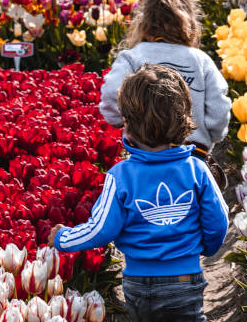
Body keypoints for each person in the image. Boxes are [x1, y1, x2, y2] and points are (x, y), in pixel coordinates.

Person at [49, 64, 229, 322]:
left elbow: (101, 229)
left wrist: (62, 238)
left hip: (140, 283)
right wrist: (206, 249)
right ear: (184, 119)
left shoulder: (120, 176)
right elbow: (218, 221)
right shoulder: (197, 170)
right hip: (185, 279)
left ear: (127, 123)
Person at [99, 0, 231, 190]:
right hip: (192, 156)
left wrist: (120, 121)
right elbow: (219, 107)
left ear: (143, 23)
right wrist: (212, 137)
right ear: (189, 23)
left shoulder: (133, 58)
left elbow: (111, 97)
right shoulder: (200, 60)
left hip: (143, 155)